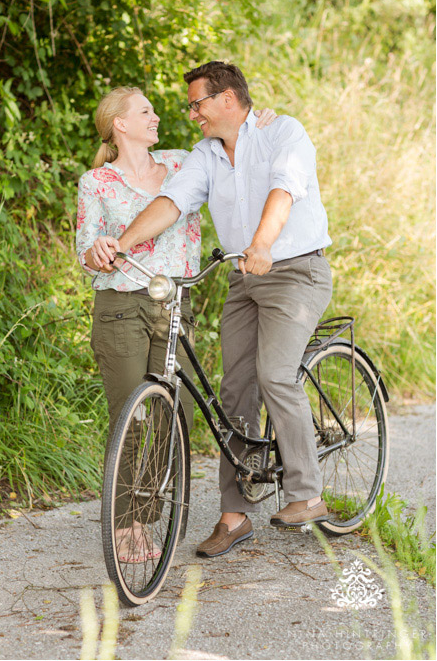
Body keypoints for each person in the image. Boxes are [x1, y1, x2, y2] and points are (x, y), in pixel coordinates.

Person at [101, 61, 332, 559]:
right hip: (245, 279)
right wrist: (121, 243)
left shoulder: (283, 132)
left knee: (274, 374)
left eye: (197, 103)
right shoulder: (205, 155)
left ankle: (307, 493)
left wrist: (263, 242)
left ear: (227, 99)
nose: (192, 114)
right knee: (233, 392)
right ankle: (234, 517)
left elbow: (284, 190)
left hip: (294, 271)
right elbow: (172, 201)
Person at [77, 87, 275, 564]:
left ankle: (149, 516)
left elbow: (234, 149)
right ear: (120, 124)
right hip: (120, 305)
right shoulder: (97, 182)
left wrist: (256, 124)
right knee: (131, 416)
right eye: (145, 111)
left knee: (174, 416)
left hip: (175, 307)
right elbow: (85, 254)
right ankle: (124, 522)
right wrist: (99, 252)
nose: (156, 116)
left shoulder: (185, 160)